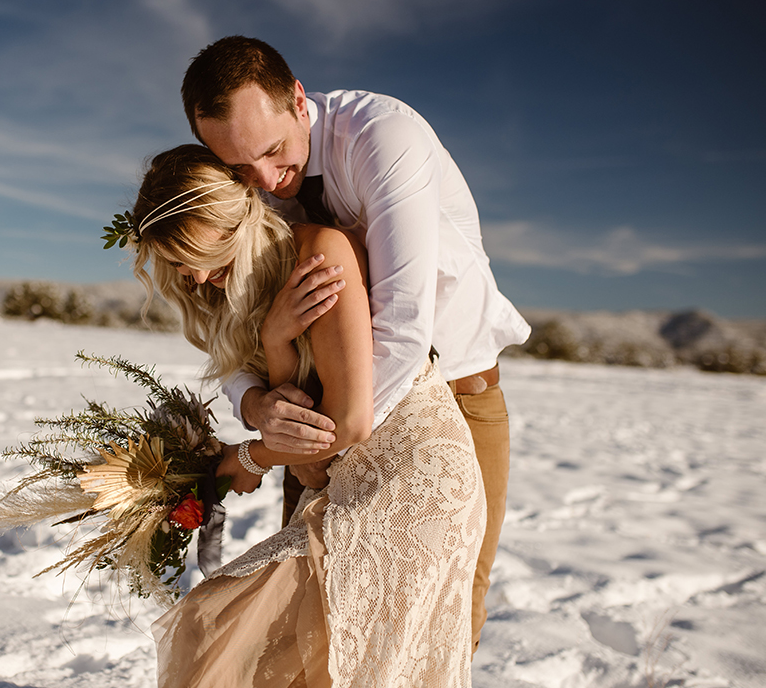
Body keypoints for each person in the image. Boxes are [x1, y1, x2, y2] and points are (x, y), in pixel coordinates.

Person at [181, 36, 530, 653]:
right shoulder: (238, 184)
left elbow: (402, 328)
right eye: (240, 169)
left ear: (296, 98)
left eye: (273, 151)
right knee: (308, 623)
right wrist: (255, 402)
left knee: (442, 615)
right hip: (316, 409)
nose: (265, 181)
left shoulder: (382, 138)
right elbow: (226, 325)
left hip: (450, 407)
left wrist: (284, 450)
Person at [128, 144, 486, 688]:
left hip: (413, 484)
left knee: (215, 628)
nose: (193, 277)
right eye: (176, 263)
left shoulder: (322, 251)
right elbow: (309, 449)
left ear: (237, 222)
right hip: (346, 478)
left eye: (199, 255)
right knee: (264, 655)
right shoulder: (252, 292)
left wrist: (247, 458)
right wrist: (273, 343)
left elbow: (344, 424)